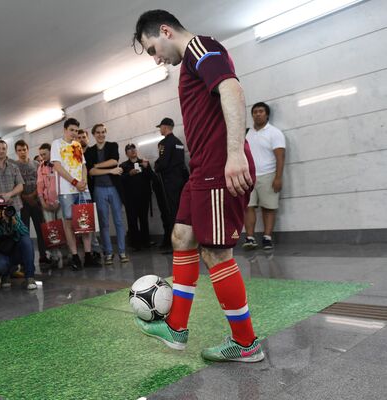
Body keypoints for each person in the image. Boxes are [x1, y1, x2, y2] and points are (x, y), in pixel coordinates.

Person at [133, 10, 263, 362]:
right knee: (181, 236)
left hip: (220, 168)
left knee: (216, 253)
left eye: (152, 49)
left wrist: (235, 152)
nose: (157, 59)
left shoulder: (200, 48)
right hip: (202, 171)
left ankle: (246, 342)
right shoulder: (191, 60)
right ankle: (176, 328)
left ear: (164, 31)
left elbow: (231, 89)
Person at [50, 118, 96, 270]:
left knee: (86, 222)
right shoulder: (56, 144)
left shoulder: (77, 145)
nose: (75, 133)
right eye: (72, 130)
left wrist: (83, 181)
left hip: (82, 189)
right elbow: (57, 166)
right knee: (69, 224)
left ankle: (88, 255)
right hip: (67, 191)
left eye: (77, 131)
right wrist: (75, 182)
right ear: (65, 129)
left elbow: (83, 165)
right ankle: (75, 256)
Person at [243, 102, 286, 250]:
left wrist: (278, 178)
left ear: (267, 114)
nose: (257, 114)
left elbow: (280, 157)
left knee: (268, 208)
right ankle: (250, 238)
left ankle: (267, 238)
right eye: (255, 112)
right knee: (248, 207)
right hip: (249, 177)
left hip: (268, 175)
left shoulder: (275, 133)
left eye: (261, 111)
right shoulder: (247, 134)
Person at [85, 124, 129, 265]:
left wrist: (97, 165)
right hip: (99, 189)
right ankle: (108, 253)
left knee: (118, 221)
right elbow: (90, 172)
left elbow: (114, 161)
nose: (101, 135)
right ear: (93, 134)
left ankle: (122, 252)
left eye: (103, 132)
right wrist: (110, 171)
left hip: (114, 188)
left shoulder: (112, 145)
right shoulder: (90, 151)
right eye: (98, 132)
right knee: (103, 223)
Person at [0, 196, 37, 290]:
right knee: (0, 265)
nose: (1, 212)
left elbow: (25, 233)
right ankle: (5, 275)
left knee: (26, 240)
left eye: (3, 208)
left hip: (14, 250)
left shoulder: (11, 215)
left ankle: (30, 277)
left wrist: (13, 221)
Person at [13, 139, 50, 266]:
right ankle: (26, 258)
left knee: (41, 229)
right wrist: (24, 196)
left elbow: (41, 182)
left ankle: (43, 255)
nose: (22, 152)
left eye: (24, 149)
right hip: (22, 203)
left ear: (28, 150)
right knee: (25, 231)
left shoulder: (36, 164)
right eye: (19, 150)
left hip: (36, 201)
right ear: (16, 152)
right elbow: (15, 185)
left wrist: (34, 195)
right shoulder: (14, 166)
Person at [154, 117, 189, 249]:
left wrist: (155, 166)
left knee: (171, 211)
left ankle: (175, 242)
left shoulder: (164, 143)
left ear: (165, 127)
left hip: (168, 182)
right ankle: (185, 239)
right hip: (180, 180)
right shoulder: (178, 142)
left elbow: (162, 163)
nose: (160, 130)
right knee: (181, 210)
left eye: (160, 127)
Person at [120, 144, 153, 250]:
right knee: (132, 220)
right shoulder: (123, 166)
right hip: (130, 199)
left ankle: (146, 241)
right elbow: (119, 181)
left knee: (144, 219)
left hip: (143, 196)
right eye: (129, 149)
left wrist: (147, 168)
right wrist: (129, 174)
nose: (132, 150)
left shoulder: (143, 162)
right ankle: (135, 243)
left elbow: (152, 177)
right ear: (126, 153)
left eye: (134, 148)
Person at [77, 129, 103, 261]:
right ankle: (89, 250)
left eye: (83, 137)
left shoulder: (93, 152)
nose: (81, 139)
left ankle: (96, 249)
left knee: (95, 224)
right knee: (85, 223)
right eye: (79, 137)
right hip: (82, 193)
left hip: (95, 190)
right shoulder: (75, 153)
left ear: (87, 138)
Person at [37, 143, 61, 267]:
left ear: (51, 152)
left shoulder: (58, 164)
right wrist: (42, 203)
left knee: (62, 228)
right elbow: (39, 186)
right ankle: (54, 256)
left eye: (44, 154)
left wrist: (58, 201)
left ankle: (67, 255)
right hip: (46, 203)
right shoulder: (41, 167)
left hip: (60, 202)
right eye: (40, 155)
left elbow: (62, 183)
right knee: (51, 229)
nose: (42, 157)